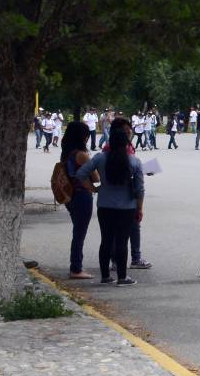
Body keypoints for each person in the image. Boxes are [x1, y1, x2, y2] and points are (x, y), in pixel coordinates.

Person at [75, 118, 143, 286]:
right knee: (122, 241)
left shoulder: (100, 158)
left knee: (106, 240)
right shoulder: (134, 161)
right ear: (127, 143)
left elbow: (81, 174)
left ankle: (105, 276)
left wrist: (94, 188)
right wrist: (139, 208)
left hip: (105, 205)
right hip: (127, 206)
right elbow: (140, 189)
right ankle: (122, 277)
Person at [61, 121, 97, 280]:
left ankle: (76, 266)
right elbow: (95, 177)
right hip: (82, 195)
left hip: (70, 195)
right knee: (79, 233)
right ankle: (76, 268)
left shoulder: (67, 152)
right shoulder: (81, 155)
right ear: (83, 137)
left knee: (78, 231)